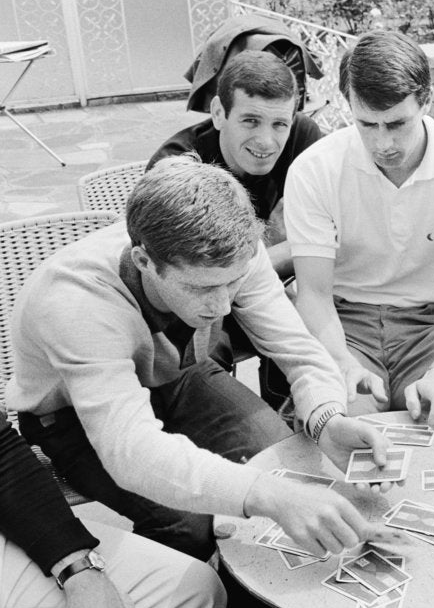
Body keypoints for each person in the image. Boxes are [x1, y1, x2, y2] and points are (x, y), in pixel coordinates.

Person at [9, 156, 403, 567]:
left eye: (233, 283)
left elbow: (298, 348)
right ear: (144, 261)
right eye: (201, 288)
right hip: (71, 414)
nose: (223, 306)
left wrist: (327, 419)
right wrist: (265, 495)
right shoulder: (76, 302)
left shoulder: (235, 254)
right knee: (188, 522)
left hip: (180, 376)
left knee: (284, 462)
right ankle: (186, 592)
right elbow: (131, 452)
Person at [285, 30, 434, 435]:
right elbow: (314, 293)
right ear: (348, 105)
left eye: (397, 123)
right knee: (335, 422)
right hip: (346, 324)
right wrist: (341, 362)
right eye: (367, 124)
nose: (383, 142)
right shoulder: (314, 169)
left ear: (426, 100)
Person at [0, 411, 225, 608]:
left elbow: (2, 447)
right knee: (185, 523)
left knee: (196, 589)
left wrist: (80, 572)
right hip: (76, 419)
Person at [148, 50, 322, 278]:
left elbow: (333, 234)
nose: (266, 142)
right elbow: (200, 276)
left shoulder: (302, 135)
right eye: (250, 121)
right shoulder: (177, 170)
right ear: (218, 113)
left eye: (280, 124)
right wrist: (273, 241)